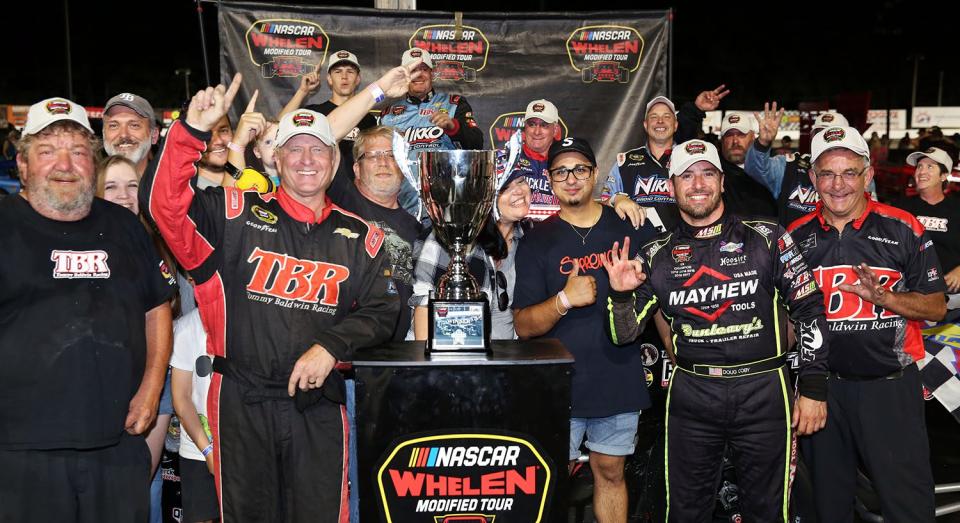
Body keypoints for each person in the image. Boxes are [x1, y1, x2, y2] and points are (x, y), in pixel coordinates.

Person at [140, 66, 414, 522]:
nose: (306, 159)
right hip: (241, 405)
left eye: (317, 149)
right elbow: (164, 207)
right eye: (294, 150)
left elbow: (384, 310)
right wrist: (190, 133)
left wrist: (331, 346)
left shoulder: (362, 236)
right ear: (277, 160)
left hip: (319, 407)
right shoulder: (233, 213)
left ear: (335, 161)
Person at [603, 138, 829, 521]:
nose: (698, 184)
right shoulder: (656, 255)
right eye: (686, 176)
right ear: (671, 186)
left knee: (769, 511)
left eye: (707, 173)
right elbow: (623, 335)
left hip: (764, 390)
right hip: (693, 394)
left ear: (723, 182)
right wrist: (622, 296)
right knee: (686, 512)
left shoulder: (769, 237)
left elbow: (809, 309)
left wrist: (813, 388)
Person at [0, 97, 174, 521]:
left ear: (93, 162)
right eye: (47, 151)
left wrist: (152, 389)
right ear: (22, 165)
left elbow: (158, 309)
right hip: (20, 451)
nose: (65, 164)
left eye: (78, 151)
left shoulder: (125, 226)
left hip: (116, 442)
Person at [788, 126, 946, 521]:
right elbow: (785, 317)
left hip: (889, 389)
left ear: (868, 175)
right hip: (823, 393)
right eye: (827, 173)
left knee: (906, 506)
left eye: (849, 173)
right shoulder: (795, 236)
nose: (838, 185)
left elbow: (937, 307)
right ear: (813, 179)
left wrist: (886, 298)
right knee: (829, 508)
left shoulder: (903, 226)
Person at [512, 137, 657, 522]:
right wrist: (564, 300)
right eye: (561, 171)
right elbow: (523, 326)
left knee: (611, 473)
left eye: (580, 169)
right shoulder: (537, 240)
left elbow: (659, 299)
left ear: (595, 175)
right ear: (551, 179)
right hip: (558, 383)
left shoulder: (628, 225)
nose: (571, 178)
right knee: (549, 480)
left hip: (617, 375)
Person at [96, 155, 180, 523]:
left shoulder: (159, 243)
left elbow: (171, 311)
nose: (123, 195)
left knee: (140, 489)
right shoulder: (78, 242)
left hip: (154, 383)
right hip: (97, 383)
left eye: (132, 186)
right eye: (111, 186)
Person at [412, 166, 532, 340]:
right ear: (484, 196)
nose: (519, 191)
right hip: (452, 359)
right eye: (505, 187)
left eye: (521, 181)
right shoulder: (452, 235)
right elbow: (423, 307)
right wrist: (428, 366)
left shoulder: (528, 237)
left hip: (505, 361)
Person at [331, 125, 423, 341]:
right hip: (346, 349)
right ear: (356, 168)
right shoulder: (343, 199)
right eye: (373, 156)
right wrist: (378, 90)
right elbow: (326, 132)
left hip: (398, 355)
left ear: (402, 165)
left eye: (391, 155)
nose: (383, 162)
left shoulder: (417, 229)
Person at [602, 87, 728, 232]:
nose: (660, 121)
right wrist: (616, 199)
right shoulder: (625, 161)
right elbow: (602, 203)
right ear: (645, 125)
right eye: (654, 117)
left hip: (683, 247)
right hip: (637, 249)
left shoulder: (691, 159)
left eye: (667, 116)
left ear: (675, 125)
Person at [380, 48, 483, 217]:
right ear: (403, 75)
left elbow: (477, 143)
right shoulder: (388, 113)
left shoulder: (454, 103)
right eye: (412, 70)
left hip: (445, 205)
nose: (418, 75)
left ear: (432, 73)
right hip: (401, 206)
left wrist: (453, 127)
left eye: (423, 69)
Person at [281, 50, 378, 183]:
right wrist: (302, 91)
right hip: (321, 186)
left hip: (357, 190)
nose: (344, 77)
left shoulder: (368, 119)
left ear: (358, 79)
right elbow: (278, 127)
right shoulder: (314, 113)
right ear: (329, 79)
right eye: (338, 72)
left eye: (350, 71)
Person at [745, 107, 851, 225]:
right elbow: (754, 170)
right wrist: (762, 144)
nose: (825, 142)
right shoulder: (789, 165)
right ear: (812, 139)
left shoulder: (858, 173)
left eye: (833, 136)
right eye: (819, 135)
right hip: (791, 242)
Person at [169, 308, 219, 523]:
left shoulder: (253, 318)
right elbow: (181, 398)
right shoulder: (188, 326)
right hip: (198, 449)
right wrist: (208, 451)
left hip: (247, 450)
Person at [891, 147, 960, 296]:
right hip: (910, 290)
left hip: (952, 292)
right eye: (919, 166)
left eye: (930, 167)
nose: (922, 171)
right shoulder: (900, 208)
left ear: (943, 176)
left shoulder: (957, 209)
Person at [102, 92, 159, 175]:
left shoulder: (172, 185)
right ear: (103, 134)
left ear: (154, 135)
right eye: (113, 126)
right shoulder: (91, 185)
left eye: (134, 125)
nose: (123, 135)